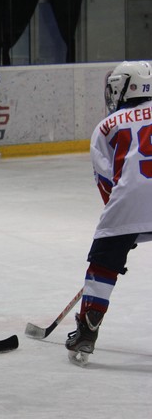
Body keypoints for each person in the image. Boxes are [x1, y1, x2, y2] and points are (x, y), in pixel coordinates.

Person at [65, 60, 152, 366]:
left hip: (129, 201)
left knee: (102, 262)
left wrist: (121, 227)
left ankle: (87, 333)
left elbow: (107, 182)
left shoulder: (107, 126)